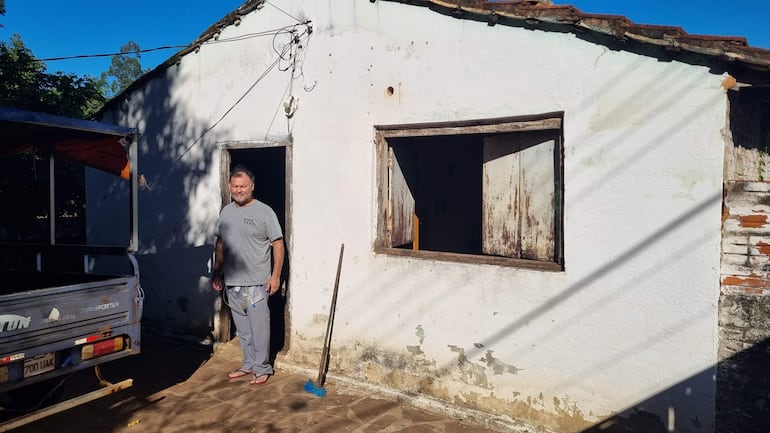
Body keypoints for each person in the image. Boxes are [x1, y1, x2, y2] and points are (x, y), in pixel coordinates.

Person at [212, 164, 284, 386]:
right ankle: (249, 364)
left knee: (259, 328)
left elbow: (278, 244)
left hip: (257, 283)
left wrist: (275, 276)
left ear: (252, 186)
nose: (239, 190)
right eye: (235, 186)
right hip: (233, 282)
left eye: (243, 186)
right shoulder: (226, 211)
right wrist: (217, 272)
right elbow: (221, 244)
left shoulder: (264, 212)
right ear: (229, 186)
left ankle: (262, 368)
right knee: (243, 329)